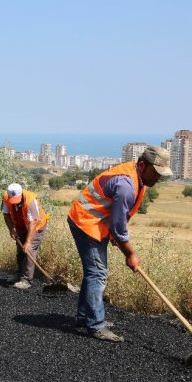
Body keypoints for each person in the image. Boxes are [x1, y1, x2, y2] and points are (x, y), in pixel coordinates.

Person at [67, 145, 172, 342]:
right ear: (142, 164)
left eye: (161, 174)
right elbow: (118, 226)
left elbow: (117, 219)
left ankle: (85, 317)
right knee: (97, 273)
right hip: (86, 222)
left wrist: (116, 236)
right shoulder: (126, 185)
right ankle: (96, 325)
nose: (158, 178)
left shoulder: (136, 176)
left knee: (93, 272)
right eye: (156, 172)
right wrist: (130, 254)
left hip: (94, 221)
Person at [2, 183, 50, 290]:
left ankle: (26, 280)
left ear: (21, 194)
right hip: (21, 226)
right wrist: (11, 230)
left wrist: (28, 241)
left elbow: (33, 222)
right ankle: (19, 274)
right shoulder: (5, 197)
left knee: (29, 250)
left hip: (37, 226)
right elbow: (6, 214)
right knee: (20, 250)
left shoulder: (30, 200)